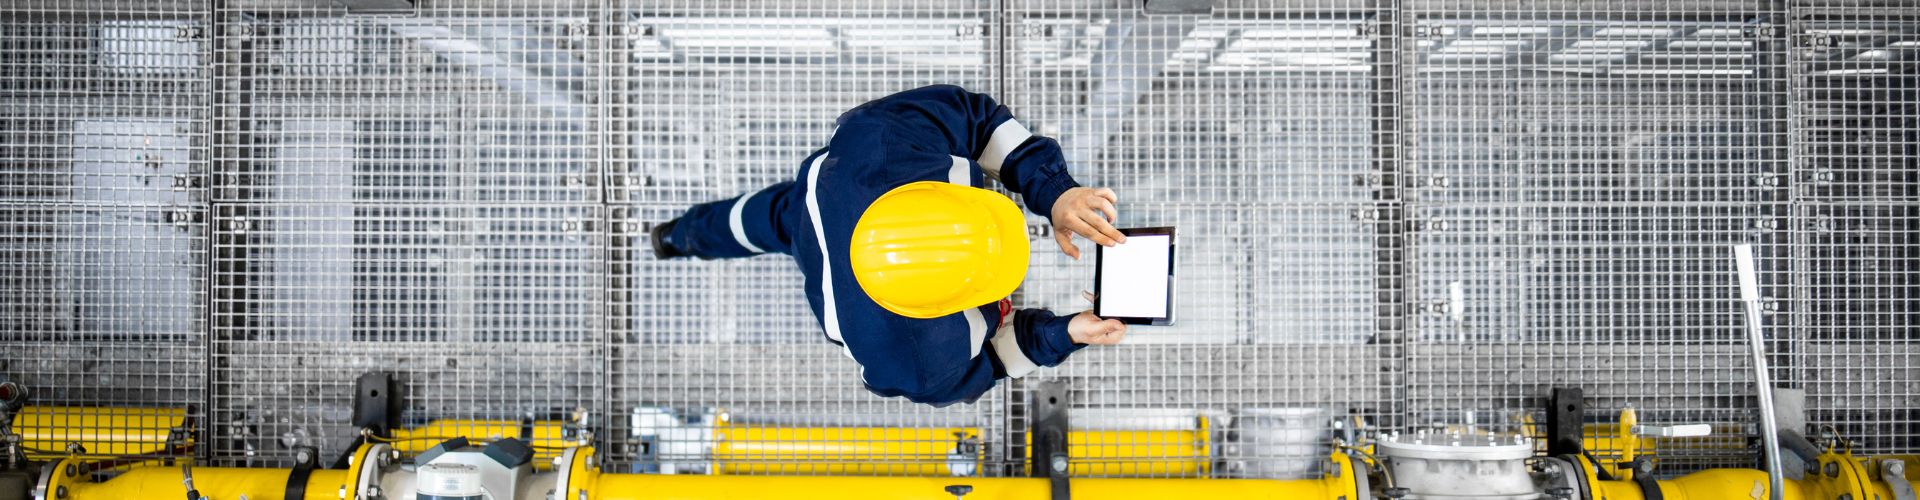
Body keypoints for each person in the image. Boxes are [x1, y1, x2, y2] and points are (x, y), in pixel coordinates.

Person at [651, 85, 1130, 406]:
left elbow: (978, 121)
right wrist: (1065, 334)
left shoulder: (884, 141)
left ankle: (677, 237)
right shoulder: (915, 360)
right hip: (825, 230)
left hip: (824, 198)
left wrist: (1057, 192)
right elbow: (995, 363)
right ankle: (675, 237)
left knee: (758, 220)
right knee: (769, 220)